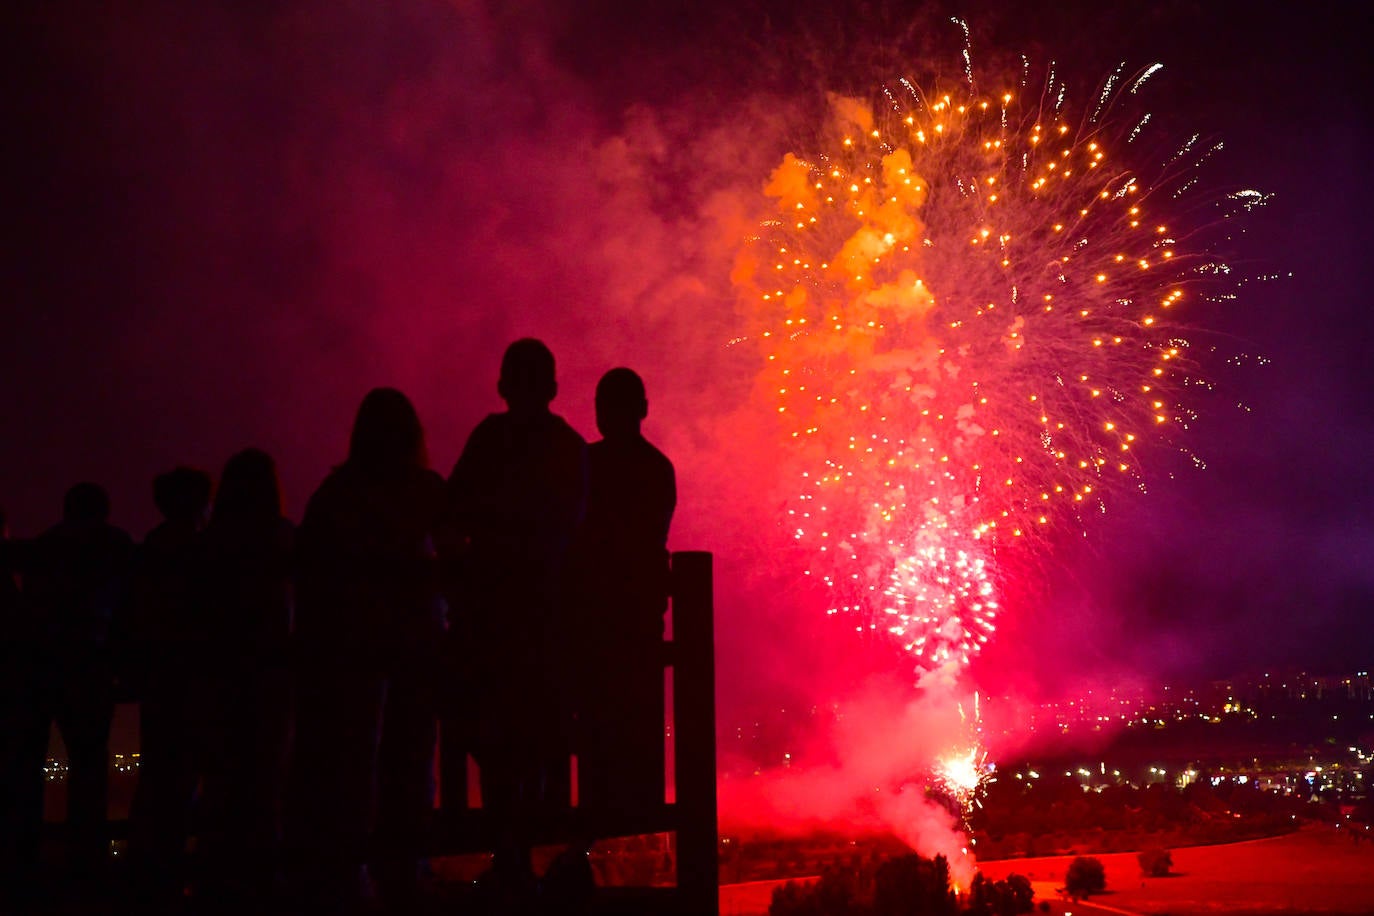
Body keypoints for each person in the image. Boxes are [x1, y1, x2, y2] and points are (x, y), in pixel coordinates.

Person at [287, 388, 447, 912]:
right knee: (412, 754)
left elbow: (307, 569)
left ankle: (349, 868)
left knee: (352, 758)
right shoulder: (425, 490)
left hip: (349, 649)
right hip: (414, 645)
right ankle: (408, 866)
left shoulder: (337, 493)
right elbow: (460, 547)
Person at [445, 338, 587, 890]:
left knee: (494, 734)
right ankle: (525, 853)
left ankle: (510, 856)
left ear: (504, 385)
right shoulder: (570, 447)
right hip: (547, 617)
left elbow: (453, 508)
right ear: (552, 386)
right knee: (537, 734)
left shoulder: (488, 439)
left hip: (493, 616)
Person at [13, 483, 135, 887]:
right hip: (89, 665)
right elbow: (126, 607)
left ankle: (25, 858)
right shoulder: (115, 544)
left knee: (28, 763)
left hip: (42, 666)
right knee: (89, 762)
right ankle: (87, 858)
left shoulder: (45, 546)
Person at [570, 368, 676, 817]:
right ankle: (640, 804)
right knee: (639, 715)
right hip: (639, 613)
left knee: (595, 720)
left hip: (591, 614)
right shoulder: (657, 468)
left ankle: (598, 806)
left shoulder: (584, 465)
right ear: (644, 410)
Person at [193, 448, 294, 904]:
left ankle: (216, 878)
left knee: (220, 778)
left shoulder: (210, 543)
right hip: (271, 673)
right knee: (267, 777)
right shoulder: (283, 539)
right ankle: (264, 878)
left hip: (217, 674)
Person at [125, 466, 213, 906]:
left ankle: (151, 872)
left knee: (160, 774)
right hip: (197, 678)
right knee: (191, 774)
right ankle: (181, 870)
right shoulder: (204, 551)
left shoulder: (150, 550)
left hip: (160, 678)